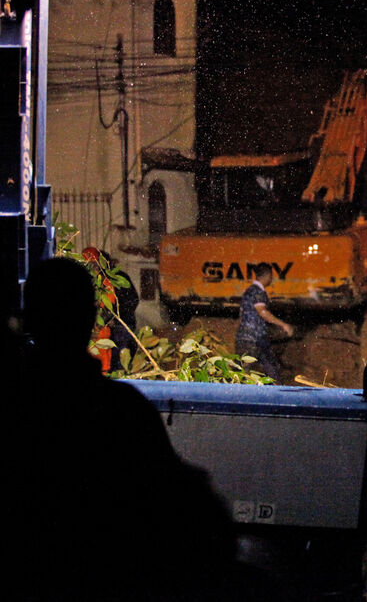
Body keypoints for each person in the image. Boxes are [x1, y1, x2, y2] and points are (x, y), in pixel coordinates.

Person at [10, 257, 238, 600]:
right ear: (89, 320)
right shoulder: (120, 411)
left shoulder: (17, 409)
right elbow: (196, 513)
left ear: (29, 321)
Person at [235, 262, 294, 381]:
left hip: (245, 337)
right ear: (267, 276)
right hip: (256, 338)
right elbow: (262, 312)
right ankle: (277, 393)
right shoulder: (258, 292)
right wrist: (283, 325)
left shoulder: (249, 291)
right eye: (271, 276)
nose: (272, 279)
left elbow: (242, 316)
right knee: (270, 368)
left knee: (242, 370)